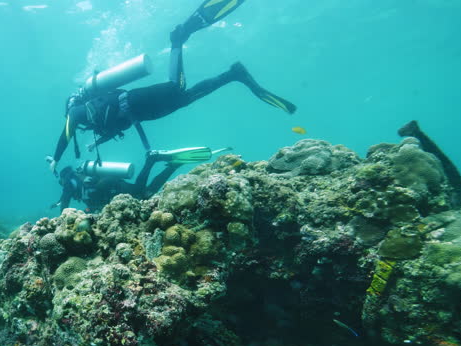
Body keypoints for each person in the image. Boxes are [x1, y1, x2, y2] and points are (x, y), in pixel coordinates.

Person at [46, 0, 296, 175]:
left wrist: (56, 158)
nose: (74, 124)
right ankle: (233, 74)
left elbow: (65, 135)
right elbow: (113, 124)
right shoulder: (91, 115)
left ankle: (179, 37)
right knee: (185, 98)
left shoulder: (77, 112)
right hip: (141, 112)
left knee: (176, 90)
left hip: (136, 102)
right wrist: (95, 144)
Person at [52, 146, 226, 212]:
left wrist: (63, 219)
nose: (62, 186)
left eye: (61, 182)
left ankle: (150, 161)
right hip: (110, 188)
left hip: (111, 186)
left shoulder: (69, 180)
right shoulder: (78, 181)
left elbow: (66, 197)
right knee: (147, 194)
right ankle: (173, 165)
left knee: (143, 193)